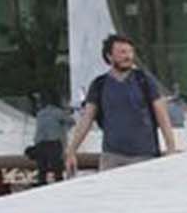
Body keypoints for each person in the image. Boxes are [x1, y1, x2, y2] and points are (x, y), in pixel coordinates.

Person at [65, 33, 179, 173]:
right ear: (109, 56)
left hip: (144, 155)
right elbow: (87, 119)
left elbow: (162, 115)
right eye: (122, 52)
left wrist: (171, 147)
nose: (128, 56)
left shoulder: (143, 80)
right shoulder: (99, 84)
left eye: (130, 52)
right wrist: (72, 151)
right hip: (112, 156)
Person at [26, 92, 70, 183]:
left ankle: (41, 184)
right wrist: (64, 128)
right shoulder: (58, 112)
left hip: (39, 143)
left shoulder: (40, 113)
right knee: (57, 168)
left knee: (42, 169)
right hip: (53, 142)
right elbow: (71, 121)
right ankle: (59, 184)